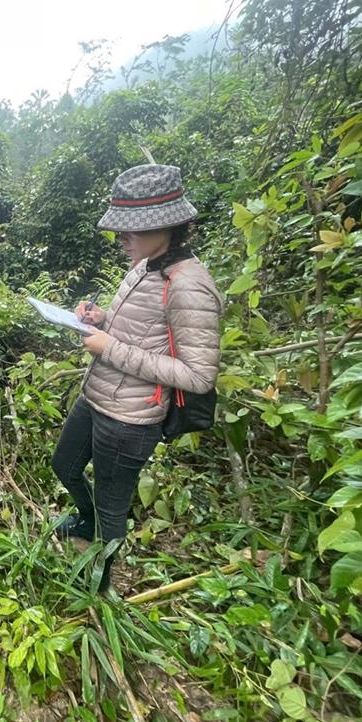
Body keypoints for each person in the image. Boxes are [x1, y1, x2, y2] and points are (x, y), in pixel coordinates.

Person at [50, 165, 223, 591]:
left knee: (113, 505)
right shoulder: (144, 265)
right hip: (97, 396)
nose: (122, 240)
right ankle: (85, 523)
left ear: (167, 226)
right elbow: (141, 328)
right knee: (63, 465)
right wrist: (100, 318)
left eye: (131, 231)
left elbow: (198, 375)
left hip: (131, 420)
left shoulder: (189, 286)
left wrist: (109, 348)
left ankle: (98, 585)